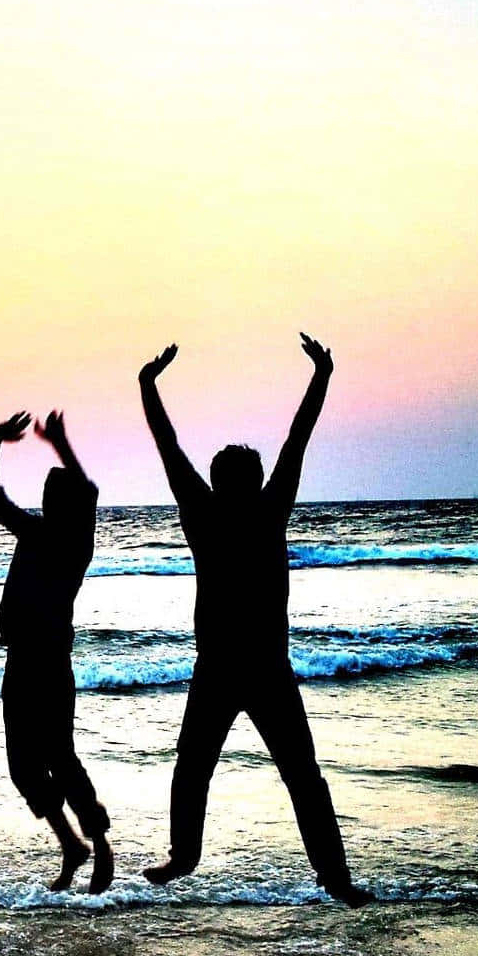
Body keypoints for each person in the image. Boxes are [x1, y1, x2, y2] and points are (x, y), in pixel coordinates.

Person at [137, 335, 371, 904]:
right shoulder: (267, 509)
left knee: (199, 766)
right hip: (255, 666)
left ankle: (185, 856)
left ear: (219, 480)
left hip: (236, 666)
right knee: (297, 777)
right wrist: (322, 374)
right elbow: (298, 438)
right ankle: (333, 878)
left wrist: (148, 384)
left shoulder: (208, 511)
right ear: (254, 479)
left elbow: (169, 445)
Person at [0, 408, 113, 894]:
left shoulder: (61, 540)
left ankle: (97, 848)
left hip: (47, 661)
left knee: (56, 759)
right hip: (27, 660)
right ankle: (74, 845)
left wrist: (16, 441)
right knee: (30, 765)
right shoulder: (56, 537)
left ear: (61, 503)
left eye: (51, 495)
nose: (43, 500)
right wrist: (47, 442)